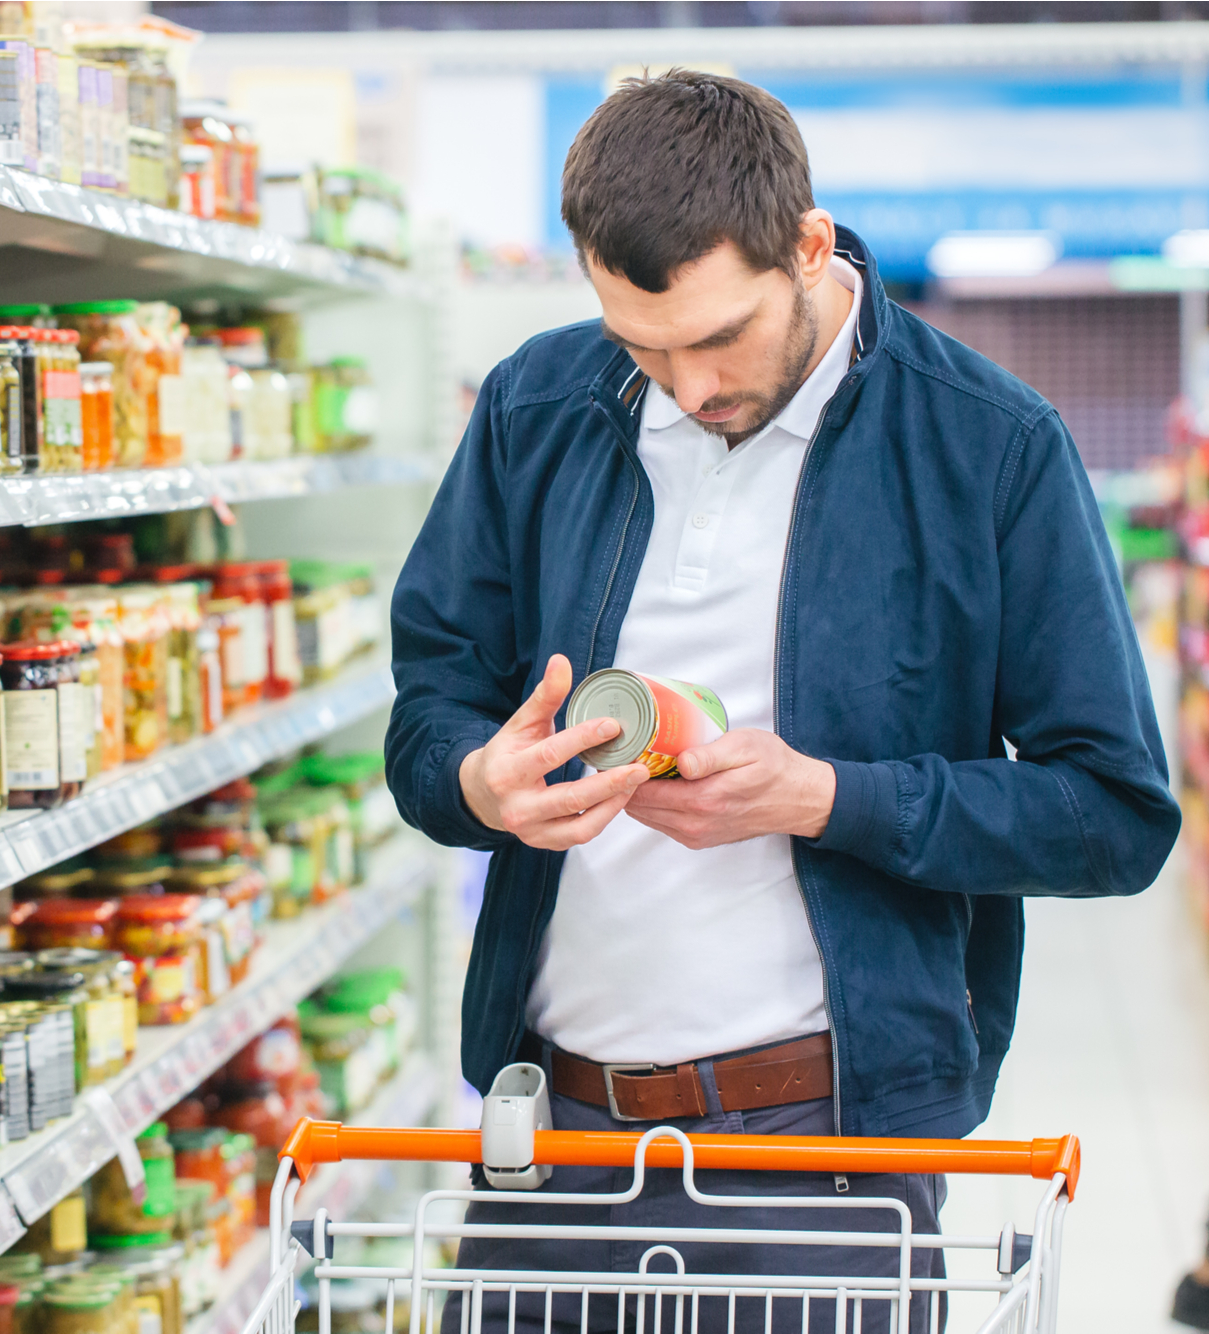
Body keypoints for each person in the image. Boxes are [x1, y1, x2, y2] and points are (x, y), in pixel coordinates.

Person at [386, 70, 1179, 1333]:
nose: (683, 384)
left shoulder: (987, 446)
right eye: (637, 344)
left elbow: (1112, 813)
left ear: (808, 246)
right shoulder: (538, 404)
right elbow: (430, 698)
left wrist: (828, 798)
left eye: (715, 338)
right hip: (552, 1139)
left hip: (825, 1156)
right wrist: (475, 782)